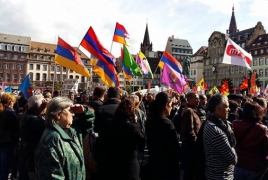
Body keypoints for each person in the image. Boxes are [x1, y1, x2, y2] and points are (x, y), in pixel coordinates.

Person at [34, 97, 95, 179]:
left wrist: (83, 111)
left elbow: (89, 122)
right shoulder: (52, 139)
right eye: (70, 110)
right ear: (58, 115)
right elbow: (52, 175)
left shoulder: (72, 131)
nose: (73, 114)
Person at [146, 92, 180, 180]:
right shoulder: (167, 124)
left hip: (154, 164)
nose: (172, 107)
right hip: (167, 167)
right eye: (171, 104)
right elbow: (174, 149)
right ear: (166, 105)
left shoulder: (150, 120)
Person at [108, 99, 145, 180]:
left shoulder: (110, 123)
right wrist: (136, 123)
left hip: (113, 161)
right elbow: (142, 143)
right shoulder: (132, 127)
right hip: (129, 164)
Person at [204, 94, 237, 180]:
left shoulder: (210, 121)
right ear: (218, 109)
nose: (229, 110)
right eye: (226, 107)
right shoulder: (217, 132)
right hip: (221, 176)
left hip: (214, 173)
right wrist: (232, 146)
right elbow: (233, 159)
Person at [233, 101, 268, 179]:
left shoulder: (235, 124)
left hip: (238, 164)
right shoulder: (262, 129)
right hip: (253, 167)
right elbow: (266, 149)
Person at [19, 95, 49, 180]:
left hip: (26, 159)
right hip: (31, 161)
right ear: (40, 107)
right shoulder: (32, 120)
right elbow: (49, 123)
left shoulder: (27, 115)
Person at [94, 87, 121, 180]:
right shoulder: (125, 110)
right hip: (121, 151)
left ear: (107, 96)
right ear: (118, 96)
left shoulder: (100, 109)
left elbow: (96, 129)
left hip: (103, 149)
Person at [181, 92, 201, 180]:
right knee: (190, 171)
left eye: (198, 98)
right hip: (191, 146)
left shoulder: (192, 109)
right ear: (189, 100)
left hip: (191, 146)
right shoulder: (189, 111)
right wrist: (196, 143)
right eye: (196, 99)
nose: (198, 100)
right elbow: (190, 130)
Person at [0, 93, 19, 180]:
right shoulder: (10, 113)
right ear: (10, 101)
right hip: (7, 143)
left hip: (3, 142)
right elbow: (17, 128)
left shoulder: (3, 111)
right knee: (5, 168)